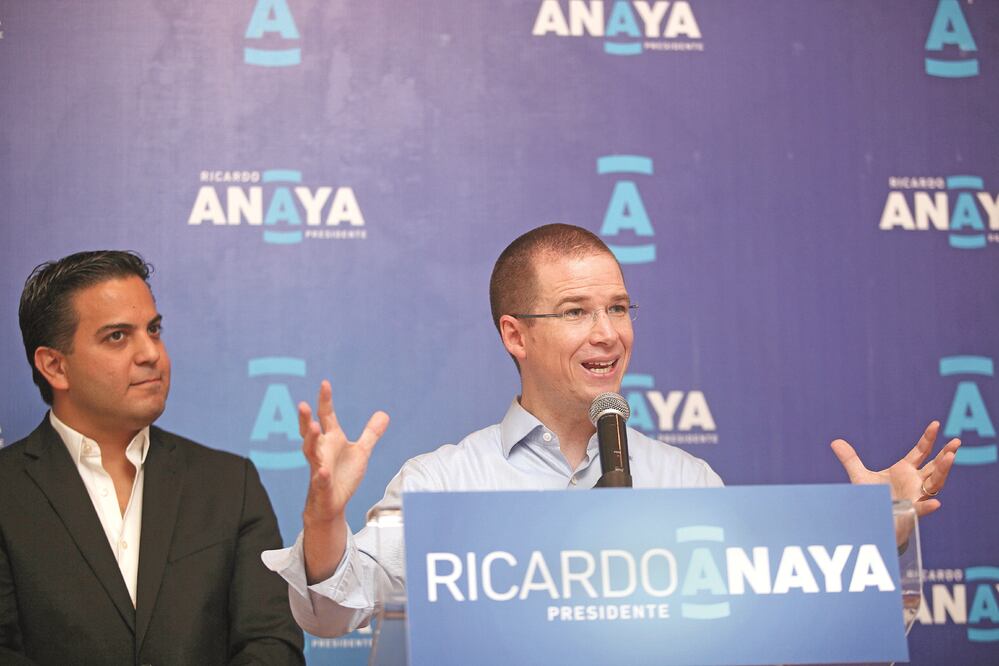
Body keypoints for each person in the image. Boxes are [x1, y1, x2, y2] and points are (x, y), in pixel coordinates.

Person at [262, 223, 960, 638]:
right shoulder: (442, 482)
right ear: (514, 334)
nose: (607, 335)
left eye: (619, 308)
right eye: (575, 312)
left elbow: (775, 628)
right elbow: (331, 616)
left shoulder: (687, 482)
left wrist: (880, 536)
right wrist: (324, 519)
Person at [0, 251, 304, 665]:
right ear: (55, 366)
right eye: (118, 337)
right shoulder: (8, 490)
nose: (150, 354)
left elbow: (271, 645)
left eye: (154, 330)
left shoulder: (230, 485)